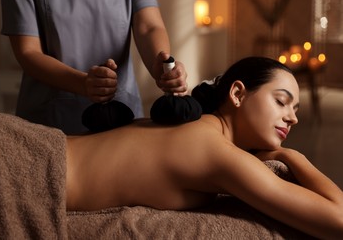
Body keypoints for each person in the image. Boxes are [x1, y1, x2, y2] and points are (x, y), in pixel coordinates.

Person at [64, 57, 343, 239]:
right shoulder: (215, 150)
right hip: (41, 170)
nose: (293, 117)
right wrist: (292, 156)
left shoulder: (195, 126)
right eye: (281, 101)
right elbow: (338, 219)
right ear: (237, 94)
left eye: (295, 109)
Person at [1, 0, 188, 135]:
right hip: (50, 122)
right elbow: (28, 52)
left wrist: (161, 66)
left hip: (120, 115)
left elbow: (148, 27)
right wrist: (82, 84)